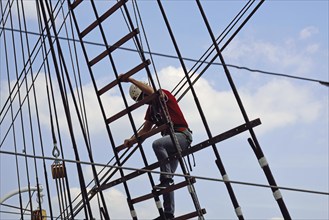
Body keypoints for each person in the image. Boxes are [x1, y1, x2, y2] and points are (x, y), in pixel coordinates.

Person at [121, 75, 192, 220]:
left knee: (157, 144)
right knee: (167, 182)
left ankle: (165, 179)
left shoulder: (163, 96)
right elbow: (145, 129)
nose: (144, 102)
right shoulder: (151, 110)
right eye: (141, 101)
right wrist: (131, 140)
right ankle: (168, 214)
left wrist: (131, 79)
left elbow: (153, 92)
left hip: (182, 136)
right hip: (171, 142)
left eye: (143, 97)